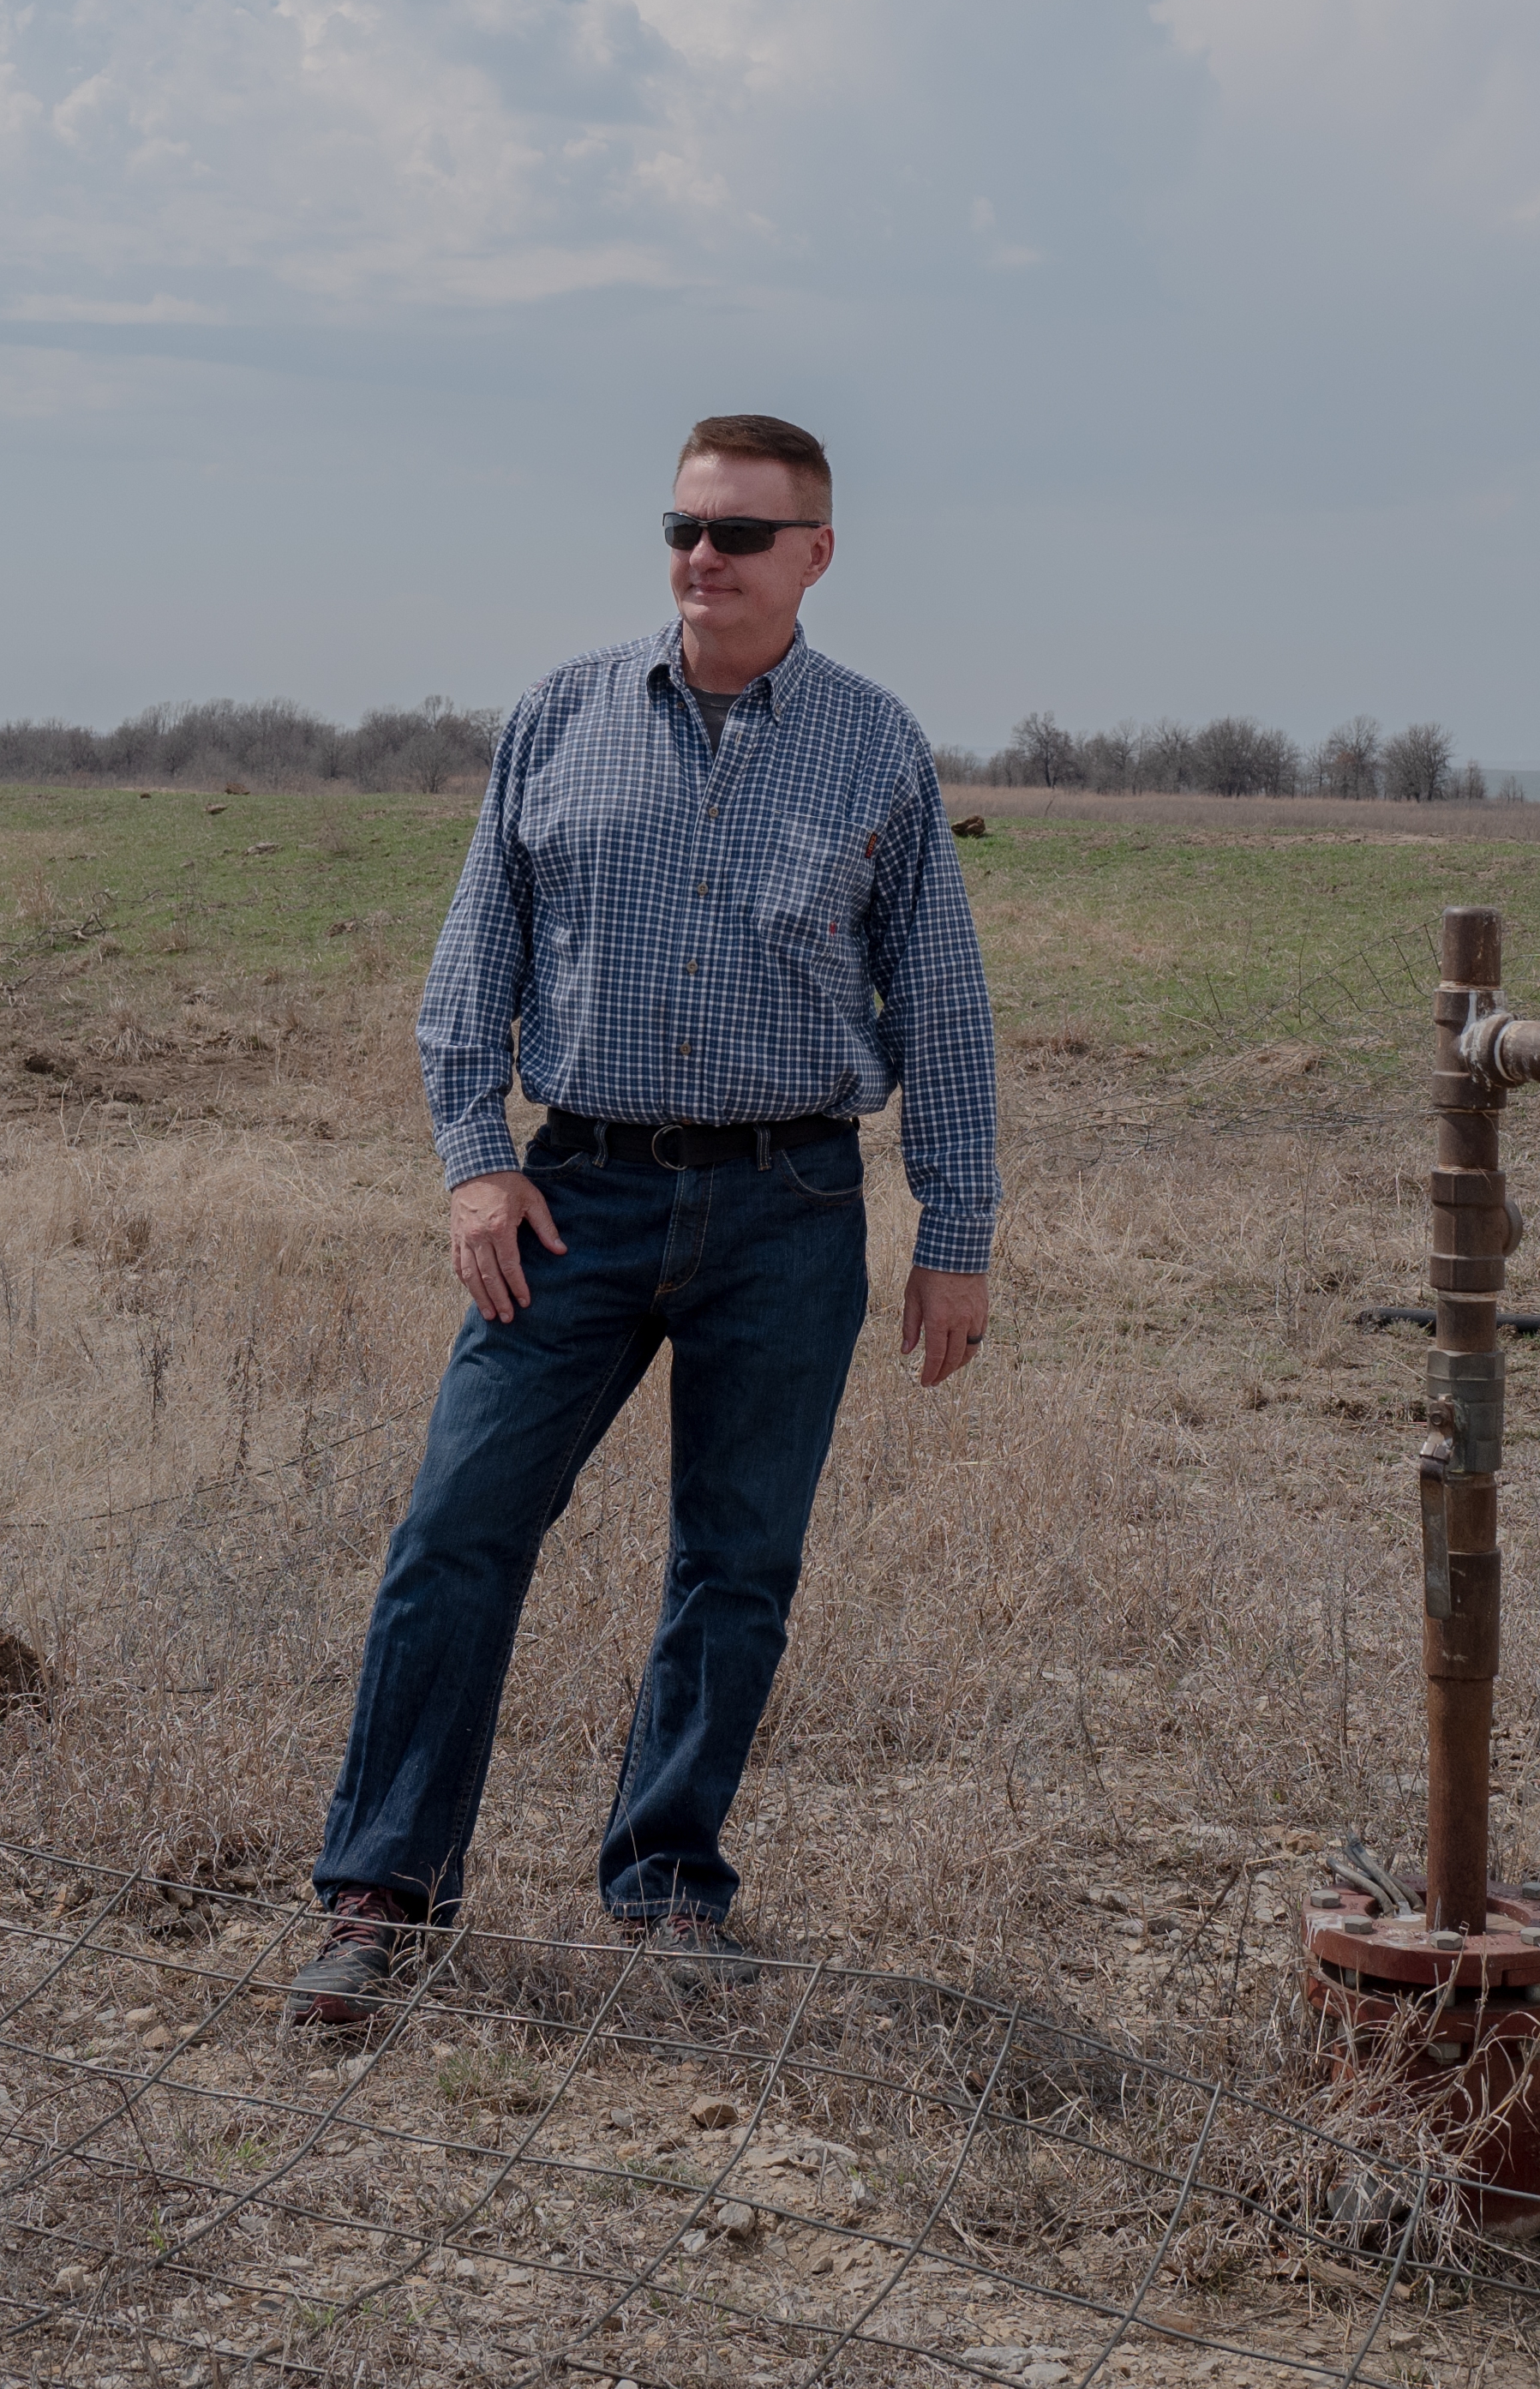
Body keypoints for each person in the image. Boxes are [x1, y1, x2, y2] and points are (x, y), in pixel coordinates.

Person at [288, 411, 999, 2022]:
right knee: (454, 1533)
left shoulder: (876, 746)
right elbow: (471, 967)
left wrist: (956, 1230)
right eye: (680, 528)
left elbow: (942, 1003)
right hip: (576, 1193)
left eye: (740, 535)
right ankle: (379, 1894)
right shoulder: (560, 716)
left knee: (734, 1563)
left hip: (791, 1201)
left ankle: (668, 1887)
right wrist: (477, 1159)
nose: (701, 559)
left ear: (814, 554)